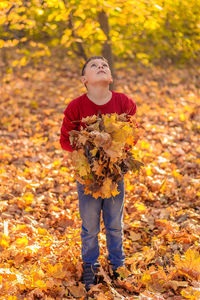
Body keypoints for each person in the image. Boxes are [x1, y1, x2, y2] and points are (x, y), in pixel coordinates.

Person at [60, 56, 137, 291]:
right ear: (85, 80)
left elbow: (132, 136)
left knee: (114, 223)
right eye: (94, 66)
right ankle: (90, 267)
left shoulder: (124, 102)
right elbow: (65, 140)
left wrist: (113, 146)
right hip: (88, 176)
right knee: (90, 225)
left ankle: (117, 266)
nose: (101, 67)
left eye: (105, 66)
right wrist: (89, 144)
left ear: (110, 77)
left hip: (114, 173)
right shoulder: (76, 107)